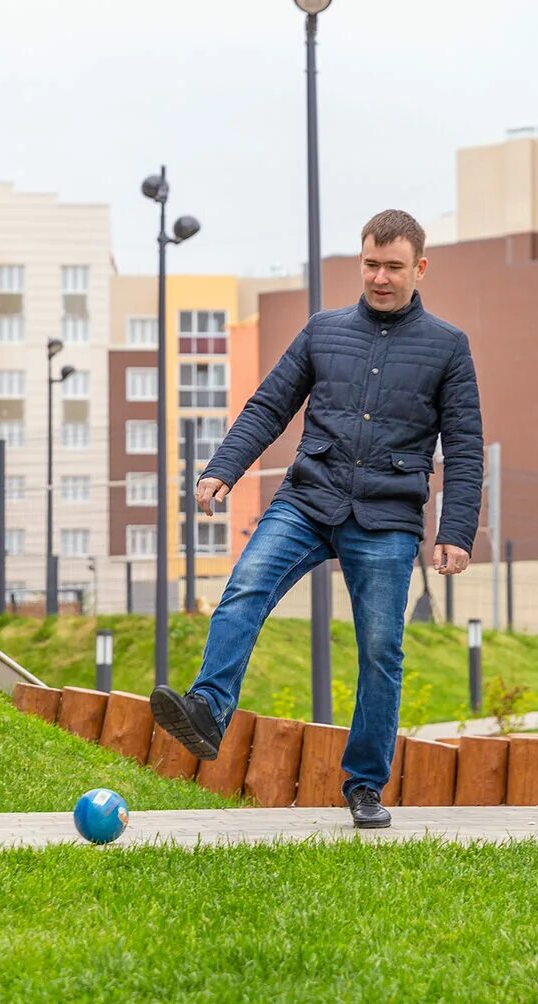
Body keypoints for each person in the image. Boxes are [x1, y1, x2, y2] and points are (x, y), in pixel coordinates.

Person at [149, 209, 484, 829]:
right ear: (360, 261)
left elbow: (464, 445)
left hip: (386, 516)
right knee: (245, 587)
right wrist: (224, 467)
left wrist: (456, 531)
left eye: (393, 267)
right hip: (308, 498)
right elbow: (270, 404)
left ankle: (363, 784)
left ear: (420, 268)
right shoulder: (323, 331)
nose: (380, 278)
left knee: (381, 649)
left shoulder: (447, 347)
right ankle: (206, 710)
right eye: (370, 265)